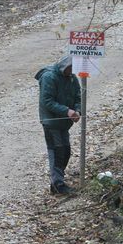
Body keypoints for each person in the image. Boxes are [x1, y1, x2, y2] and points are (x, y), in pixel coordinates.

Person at [35, 56, 81, 195]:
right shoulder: (49, 77)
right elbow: (47, 101)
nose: (72, 71)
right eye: (70, 68)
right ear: (64, 66)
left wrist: (77, 111)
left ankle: (57, 182)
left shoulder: (72, 78)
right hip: (51, 122)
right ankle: (58, 184)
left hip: (64, 123)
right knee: (57, 152)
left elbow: (78, 96)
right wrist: (67, 111)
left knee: (66, 152)